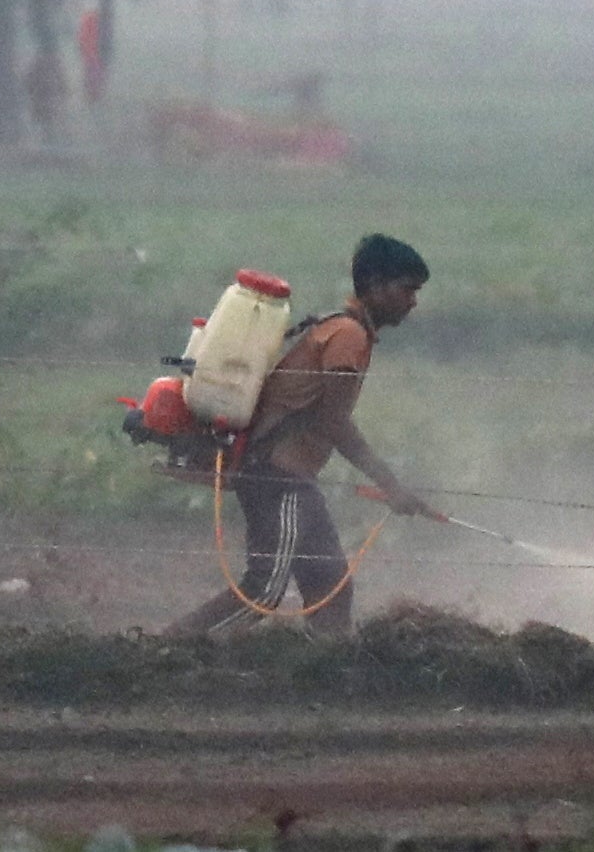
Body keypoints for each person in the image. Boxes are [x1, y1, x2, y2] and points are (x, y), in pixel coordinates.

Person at [170, 232, 437, 637]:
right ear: (376, 285)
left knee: (331, 589)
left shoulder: (338, 328)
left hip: (288, 477)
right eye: (407, 289)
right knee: (263, 591)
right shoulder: (348, 337)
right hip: (280, 478)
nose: (413, 301)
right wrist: (390, 485)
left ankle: (327, 677)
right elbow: (336, 423)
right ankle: (163, 650)